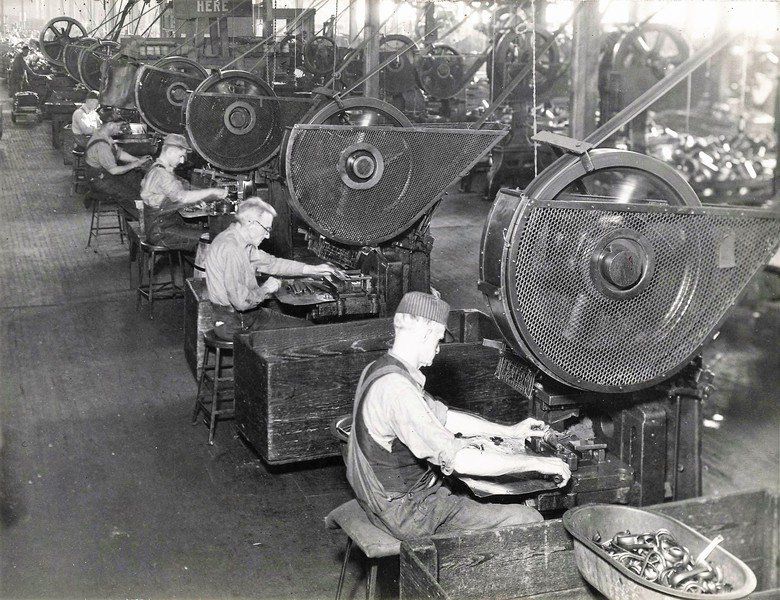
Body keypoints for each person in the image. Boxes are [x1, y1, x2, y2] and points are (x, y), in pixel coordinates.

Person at [346, 291, 572, 541]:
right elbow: (461, 461)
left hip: (381, 498)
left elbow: (446, 418)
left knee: (473, 490)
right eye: (438, 339)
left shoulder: (381, 369)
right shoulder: (398, 389)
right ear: (424, 333)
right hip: (409, 513)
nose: (439, 349)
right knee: (528, 520)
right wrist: (539, 463)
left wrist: (510, 431)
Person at [204, 197, 344, 341]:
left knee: (297, 320)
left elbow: (272, 263)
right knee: (311, 332)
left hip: (242, 316)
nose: (268, 235)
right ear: (251, 223)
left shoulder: (240, 242)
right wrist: (266, 289)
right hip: (235, 323)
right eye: (266, 229)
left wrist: (313, 270)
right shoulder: (231, 249)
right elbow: (241, 302)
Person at [140, 133, 227, 252]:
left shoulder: (158, 168)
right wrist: (212, 191)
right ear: (170, 151)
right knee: (214, 239)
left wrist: (194, 201)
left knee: (207, 232)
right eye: (181, 156)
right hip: (162, 233)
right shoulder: (161, 174)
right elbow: (182, 197)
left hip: (164, 226)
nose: (182, 161)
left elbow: (175, 194)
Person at [85, 119, 151, 217]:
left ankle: (130, 214)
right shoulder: (101, 145)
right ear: (110, 124)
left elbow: (119, 154)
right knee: (132, 196)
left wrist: (137, 160)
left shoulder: (105, 136)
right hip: (98, 180)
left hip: (104, 174)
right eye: (118, 126)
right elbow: (114, 171)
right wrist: (134, 164)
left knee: (134, 176)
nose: (120, 130)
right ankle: (142, 221)